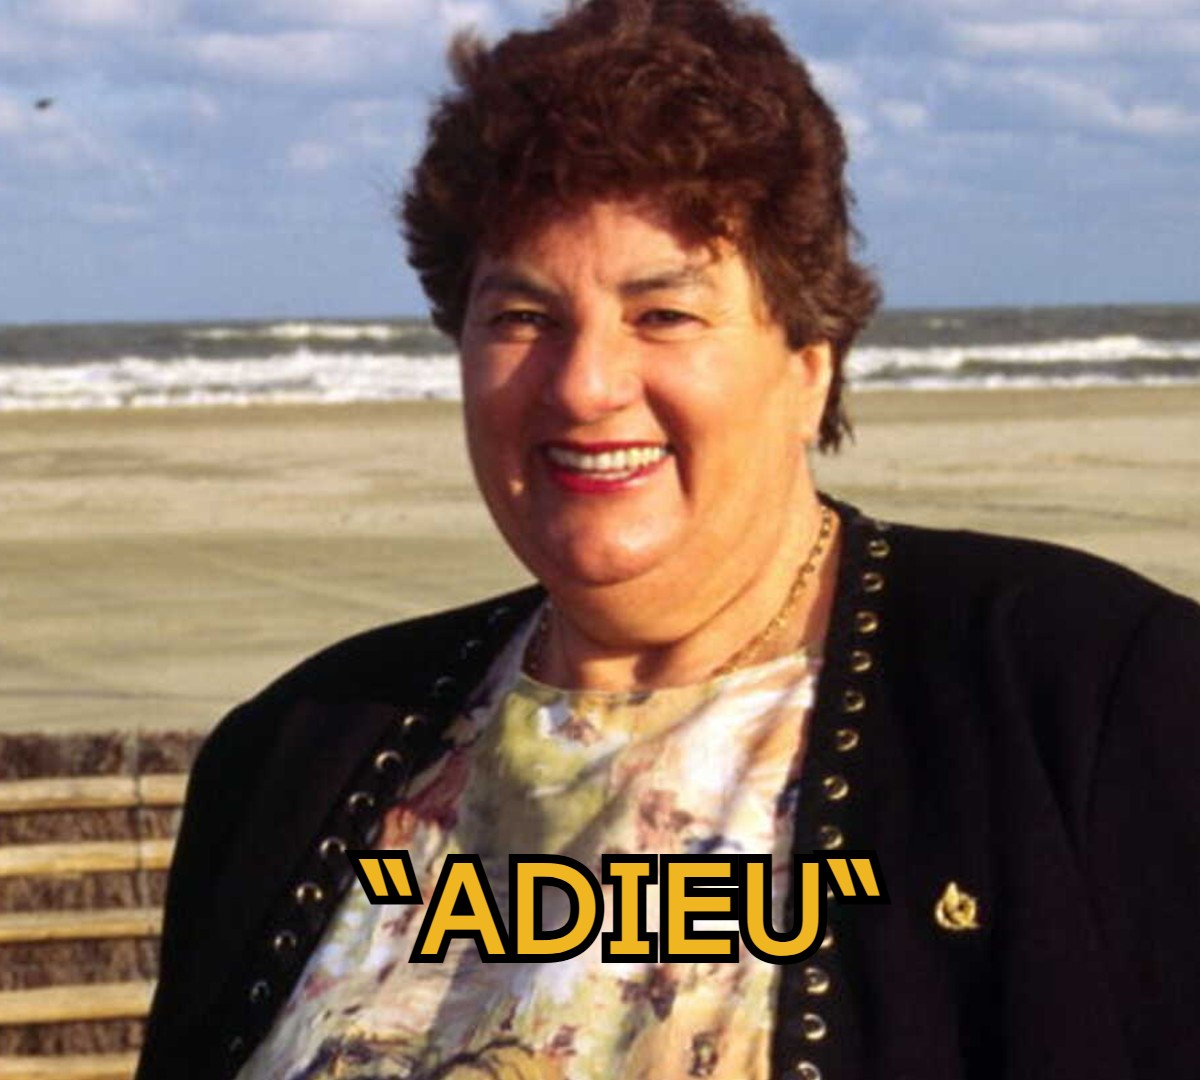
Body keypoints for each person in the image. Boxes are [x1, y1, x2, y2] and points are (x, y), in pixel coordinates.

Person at [137, 1, 1200, 1078]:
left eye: (664, 314)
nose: (584, 384)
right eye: (522, 317)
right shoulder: (294, 756)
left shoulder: (1091, 699)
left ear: (810, 365)